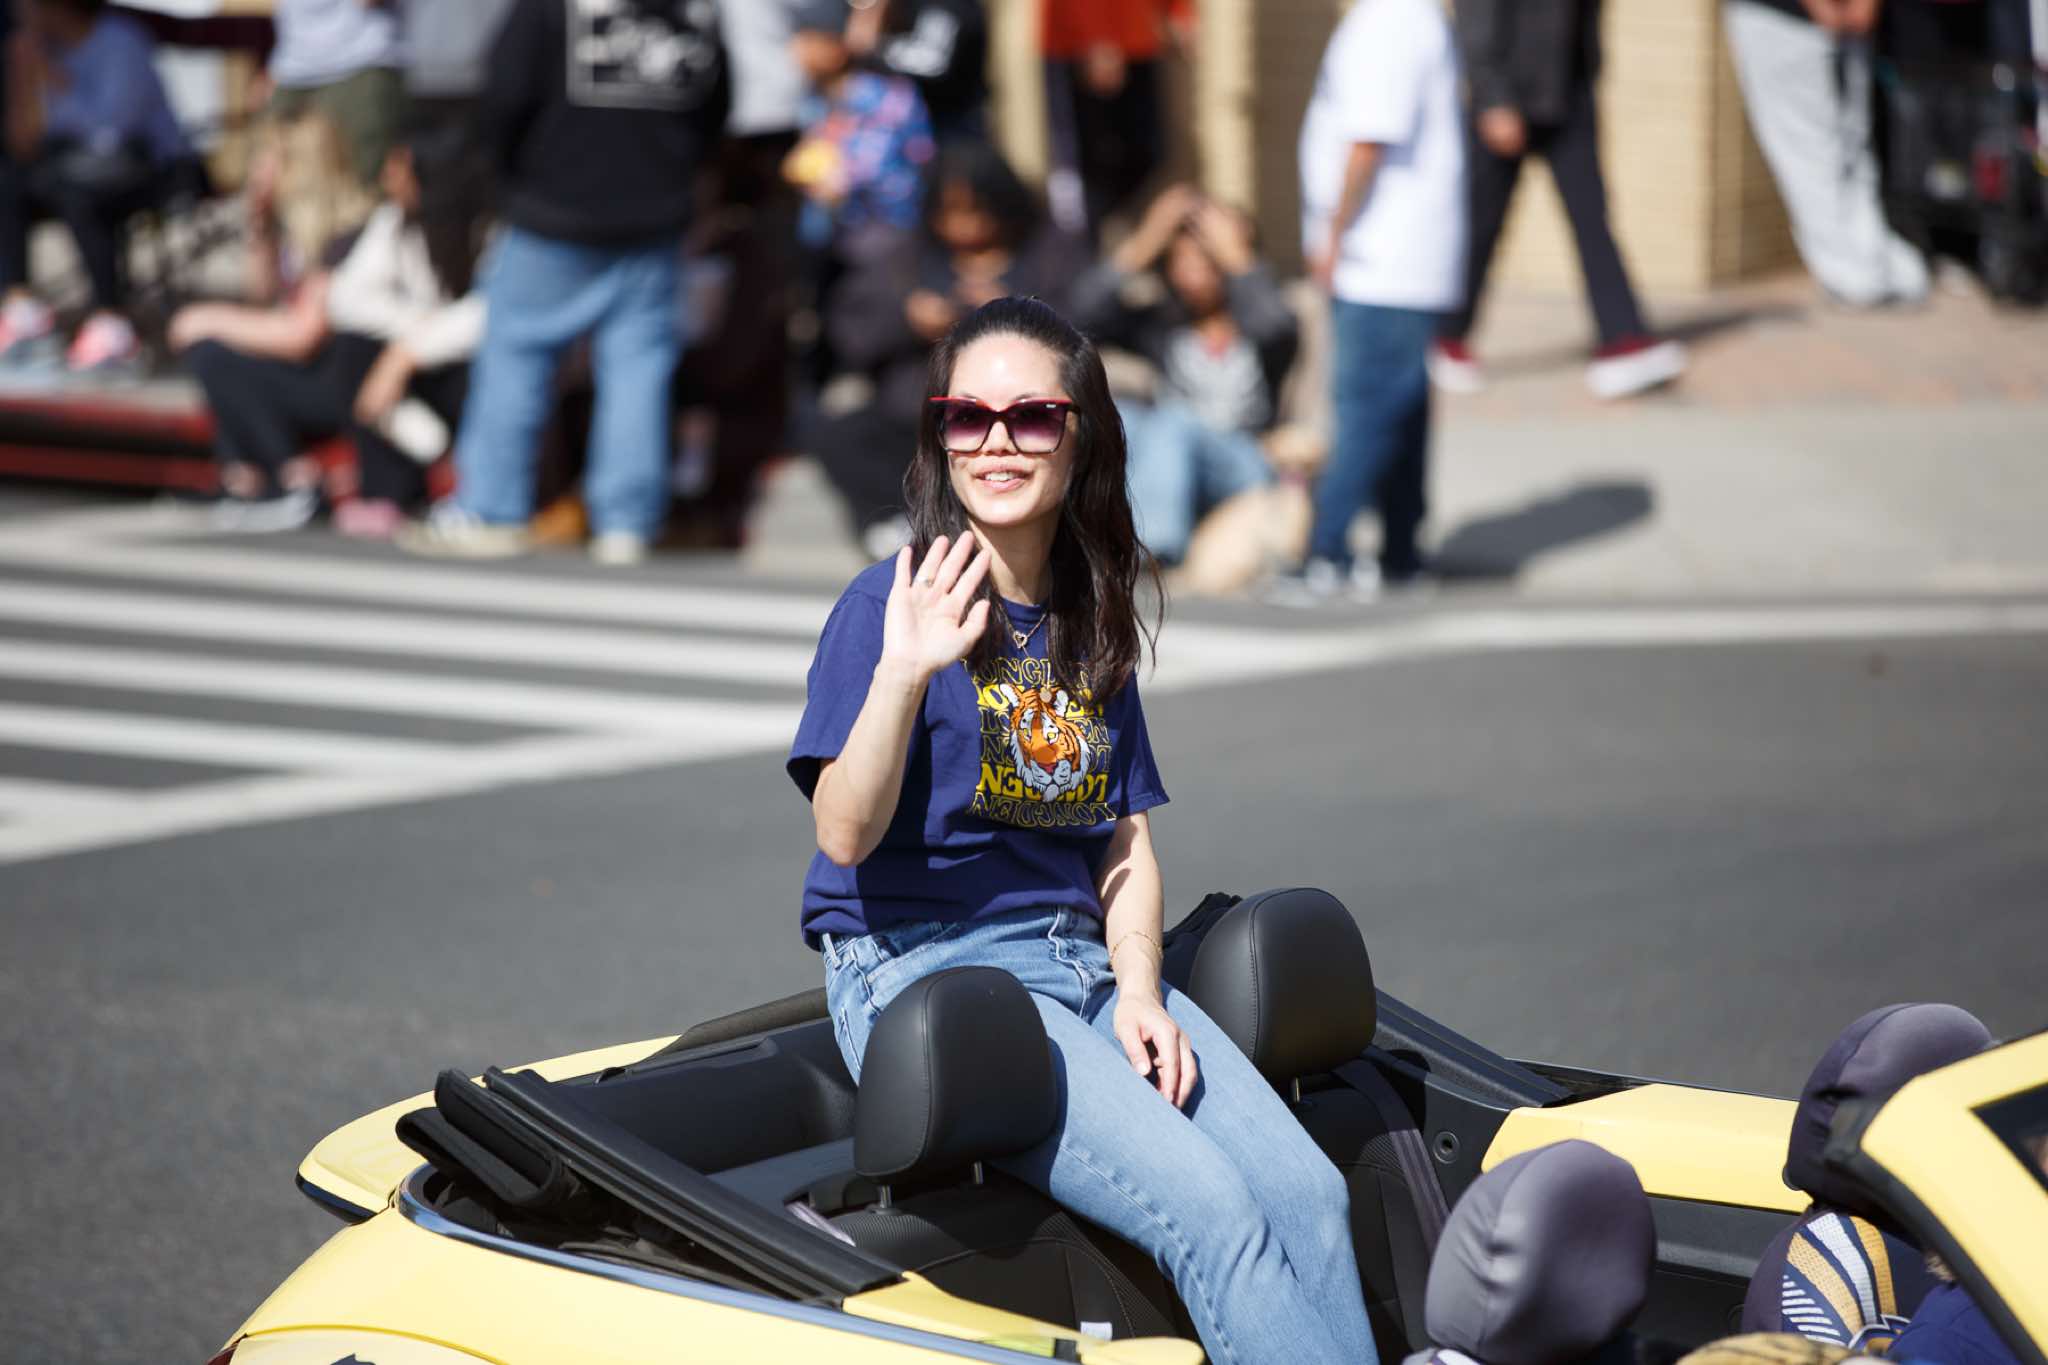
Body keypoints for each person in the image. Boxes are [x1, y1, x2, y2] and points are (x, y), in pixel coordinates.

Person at [788, 294, 1380, 1365]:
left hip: (1082, 967)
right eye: (967, 417)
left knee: (1306, 1194)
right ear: (939, 436)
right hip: (932, 972)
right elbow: (843, 833)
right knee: (1215, 1217)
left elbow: (1123, 841)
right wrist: (902, 671)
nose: (996, 443)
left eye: (1030, 417)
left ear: (1081, 436)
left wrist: (1140, 989)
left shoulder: (1086, 607)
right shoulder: (889, 605)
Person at [398, 0, 729, 564]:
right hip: (654, 213)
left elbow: (503, 96)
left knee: (516, 357)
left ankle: (492, 509)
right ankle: (626, 521)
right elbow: (715, 109)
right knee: (638, 369)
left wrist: (510, 182)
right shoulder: (694, 10)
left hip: (554, 208)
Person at [171, 136, 486, 536]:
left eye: (265, 168)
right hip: (374, 370)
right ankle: (247, 479)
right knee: (213, 356)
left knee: (358, 347)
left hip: (411, 376)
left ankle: (310, 481)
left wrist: (407, 352)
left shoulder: (473, 232)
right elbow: (323, 298)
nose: (387, 178)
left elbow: (301, 334)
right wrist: (260, 225)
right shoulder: (391, 223)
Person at [811, 139, 1083, 556]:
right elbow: (851, 332)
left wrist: (1011, 310)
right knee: (838, 431)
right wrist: (907, 318)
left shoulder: (1047, 253)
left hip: (1014, 418)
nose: (964, 226)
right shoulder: (907, 258)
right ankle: (896, 521)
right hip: (915, 415)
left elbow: (1081, 326)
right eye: (950, 212)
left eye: (976, 210)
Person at [1280, 0, 1466, 602]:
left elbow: (1368, 139)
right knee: (1401, 408)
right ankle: (1401, 554)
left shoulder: (1388, 20)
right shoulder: (1409, 16)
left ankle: (1326, 554)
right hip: (1400, 257)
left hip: (1380, 258)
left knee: (1366, 407)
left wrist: (1332, 234)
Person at [1432, 0, 1687, 401]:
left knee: (1592, 220)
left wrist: (1590, 72)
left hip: (1568, 93)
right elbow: (1476, 17)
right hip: (1509, 99)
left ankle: (1623, 340)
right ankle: (1444, 337)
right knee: (1481, 224)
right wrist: (1492, 97)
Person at [1070, 182, 1298, 566]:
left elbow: (1276, 328)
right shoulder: (1162, 325)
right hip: (1174, 464)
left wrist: (1235, 254)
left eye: (1207, 259)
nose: (1193, 273)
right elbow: (1080, 318)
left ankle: (1154, 552)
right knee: (1125, 417)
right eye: (1182, 260)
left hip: (1246, 462)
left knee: (1173, 420)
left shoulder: (1261, 324)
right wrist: (1146, 240)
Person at [0, 0, 198, 374]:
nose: (19, 16)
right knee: (9, 184)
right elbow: (23, 144)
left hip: (153, 169)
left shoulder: (119, 41)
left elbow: (109, 132)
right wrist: (22, 79)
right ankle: (21, 308)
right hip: (75, 168)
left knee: (78, 194)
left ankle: (111, 321)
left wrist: (52, 78)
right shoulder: (38, 50)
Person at [1723, 0, 1931, 306]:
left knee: (1823, 150)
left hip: (1795, 20)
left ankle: (1862, 272)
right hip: (1820, 21)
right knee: (1845, 148)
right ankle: (1880, 268)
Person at [249, 0, 409, 280]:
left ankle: (340, 292)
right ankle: (281, 295)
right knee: (263, 195)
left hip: (363, 59)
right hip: (292, 64)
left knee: (362, 203)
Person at [1040, 0, 1192, 238]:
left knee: (1146, 156)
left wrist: (1177, 11)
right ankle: (1088, 246)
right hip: (1082, 43)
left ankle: (1117, 240)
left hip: (1137, 35)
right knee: (1089, 165)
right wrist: (1096, 36)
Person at [845, 0, 990, 148]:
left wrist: (871, 50)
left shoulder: (946, 5)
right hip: (898, 137)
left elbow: (932, 61)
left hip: (950, 134)